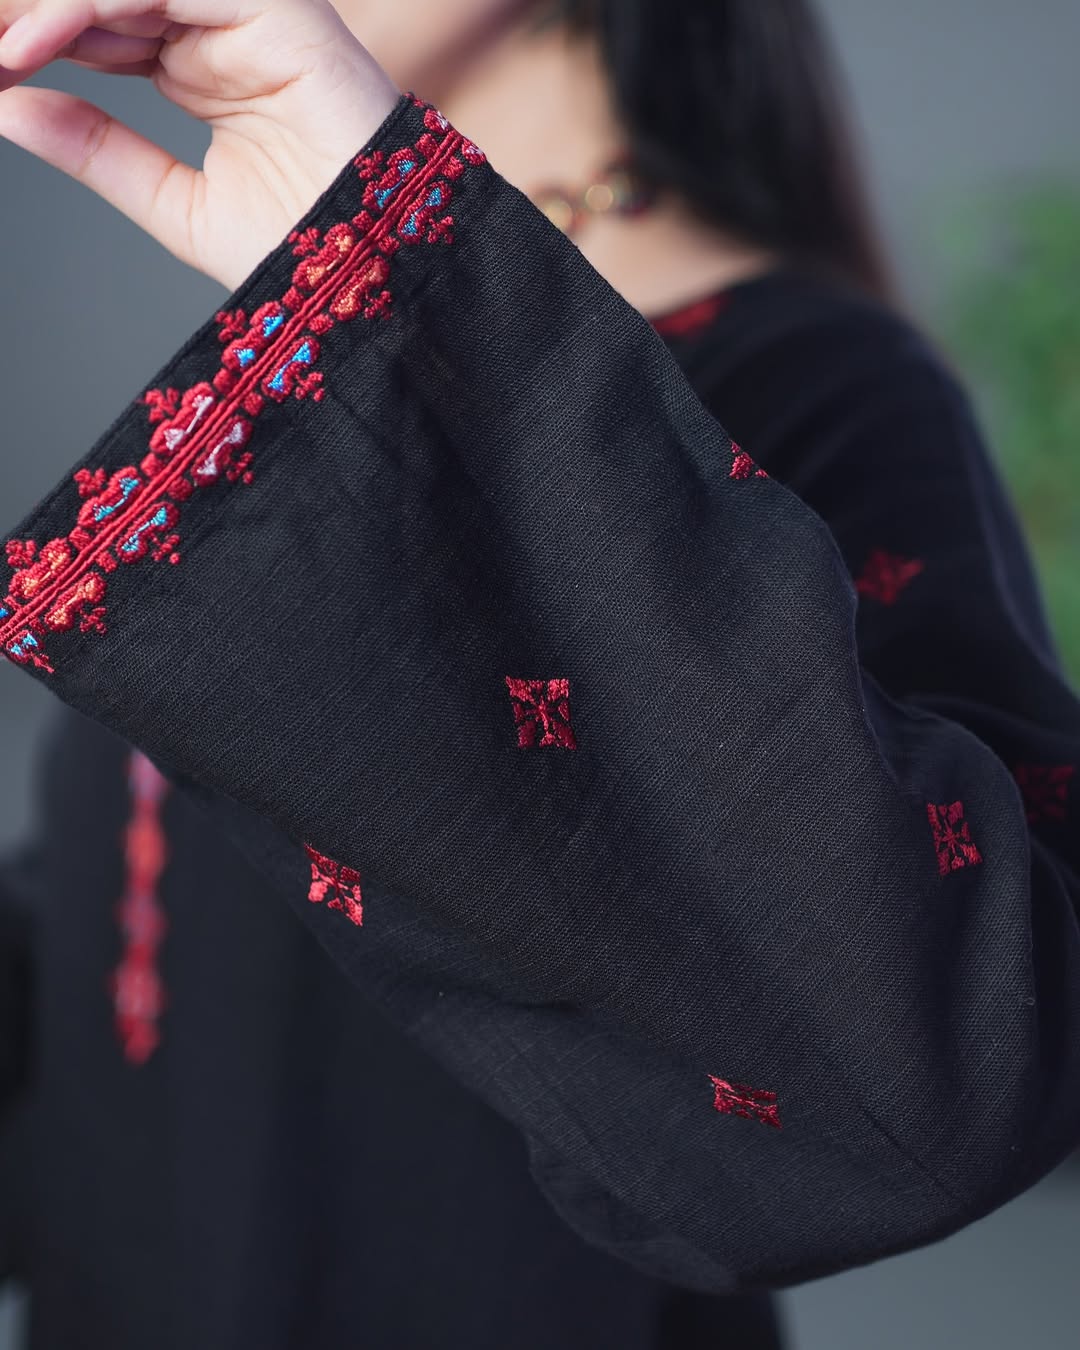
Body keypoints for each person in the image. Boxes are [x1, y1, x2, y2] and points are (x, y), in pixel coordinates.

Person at [0, 2, 1077, 1348]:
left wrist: (396, 277)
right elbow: (107, 975)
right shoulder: (308, 380)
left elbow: (930, 1075)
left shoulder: (815, 378)